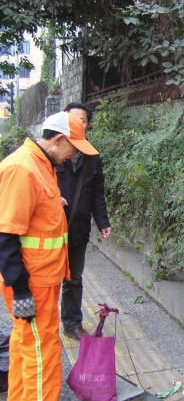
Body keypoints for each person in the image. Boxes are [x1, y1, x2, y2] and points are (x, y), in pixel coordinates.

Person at [0, 111, 99, 401]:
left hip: (40, 277)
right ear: (58, 140)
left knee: (25, 341)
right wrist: (20, 287)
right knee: (43, 347)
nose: (75, 155)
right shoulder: (22, 168)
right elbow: (5, 234)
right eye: (74, 148)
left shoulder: (41, 164)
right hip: (32, 281)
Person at [57, 102, 111, 341]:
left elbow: (97, 193)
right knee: (45, 279)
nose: (78, 124)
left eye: (83, 120)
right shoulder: (51, 153)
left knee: (74, 277)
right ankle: (42, 324)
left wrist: (103, 222)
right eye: (72, 119)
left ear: (88, 126)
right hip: (49, 230)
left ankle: (72, 323)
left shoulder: (93, 157)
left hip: (78, 229)